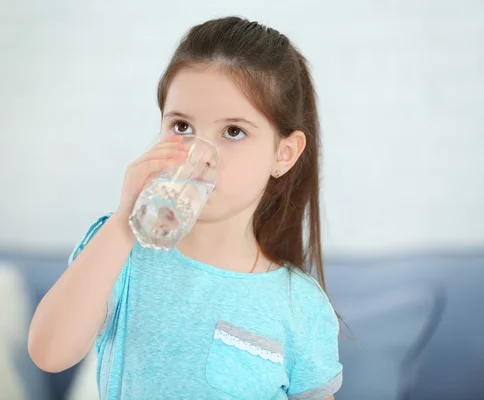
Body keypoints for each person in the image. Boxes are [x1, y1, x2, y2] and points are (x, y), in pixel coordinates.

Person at [28, 16, 343, 400]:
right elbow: (49, 352)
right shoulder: (120, 251)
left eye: (233, 131)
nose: (199, 155)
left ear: (284, 153)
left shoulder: (302, 308)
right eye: (181, 127)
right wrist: (124, 223)